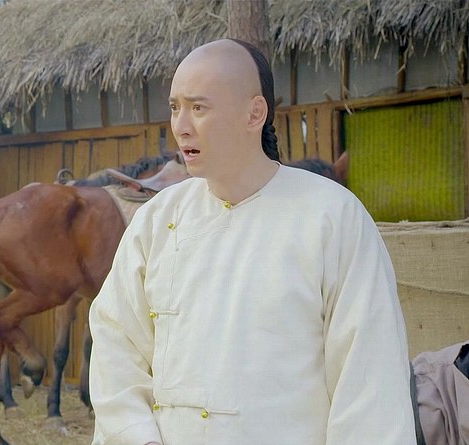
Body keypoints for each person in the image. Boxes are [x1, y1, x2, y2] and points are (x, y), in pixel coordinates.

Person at [88, 39, 416, 444]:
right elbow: (116, 344)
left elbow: (368, 378)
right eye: (175, 107)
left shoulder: (331, 216)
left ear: (254, 113)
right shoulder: (156, 221)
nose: (181, 126)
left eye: (198, 108)